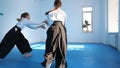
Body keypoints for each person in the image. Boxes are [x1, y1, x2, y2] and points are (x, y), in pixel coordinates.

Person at [41, 0, 67, 68]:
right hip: (62, 29)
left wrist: (46, 22)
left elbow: (50, 24)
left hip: (53, 29)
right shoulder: (63, 12)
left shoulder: (50, 12)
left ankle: (48, 65)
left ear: (54, 4)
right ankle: (60, 66)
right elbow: (64, 23)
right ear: (60, 5)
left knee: (50, 47)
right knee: (61, 47)